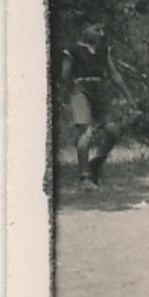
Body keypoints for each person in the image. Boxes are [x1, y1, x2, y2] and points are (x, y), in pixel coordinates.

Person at [58, 20, 133, 190]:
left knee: (113, 130)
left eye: (102, 30)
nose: (101, 34)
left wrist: (128, 95)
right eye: (96, 29)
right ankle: (85, 178)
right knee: (86, 132)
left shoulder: (103, 50)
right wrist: (69, 94)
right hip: (81, 88)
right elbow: (65, 75)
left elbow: (114, 73)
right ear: (85, 28)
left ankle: (96, 163)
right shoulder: (72, 50)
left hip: (100, 89)